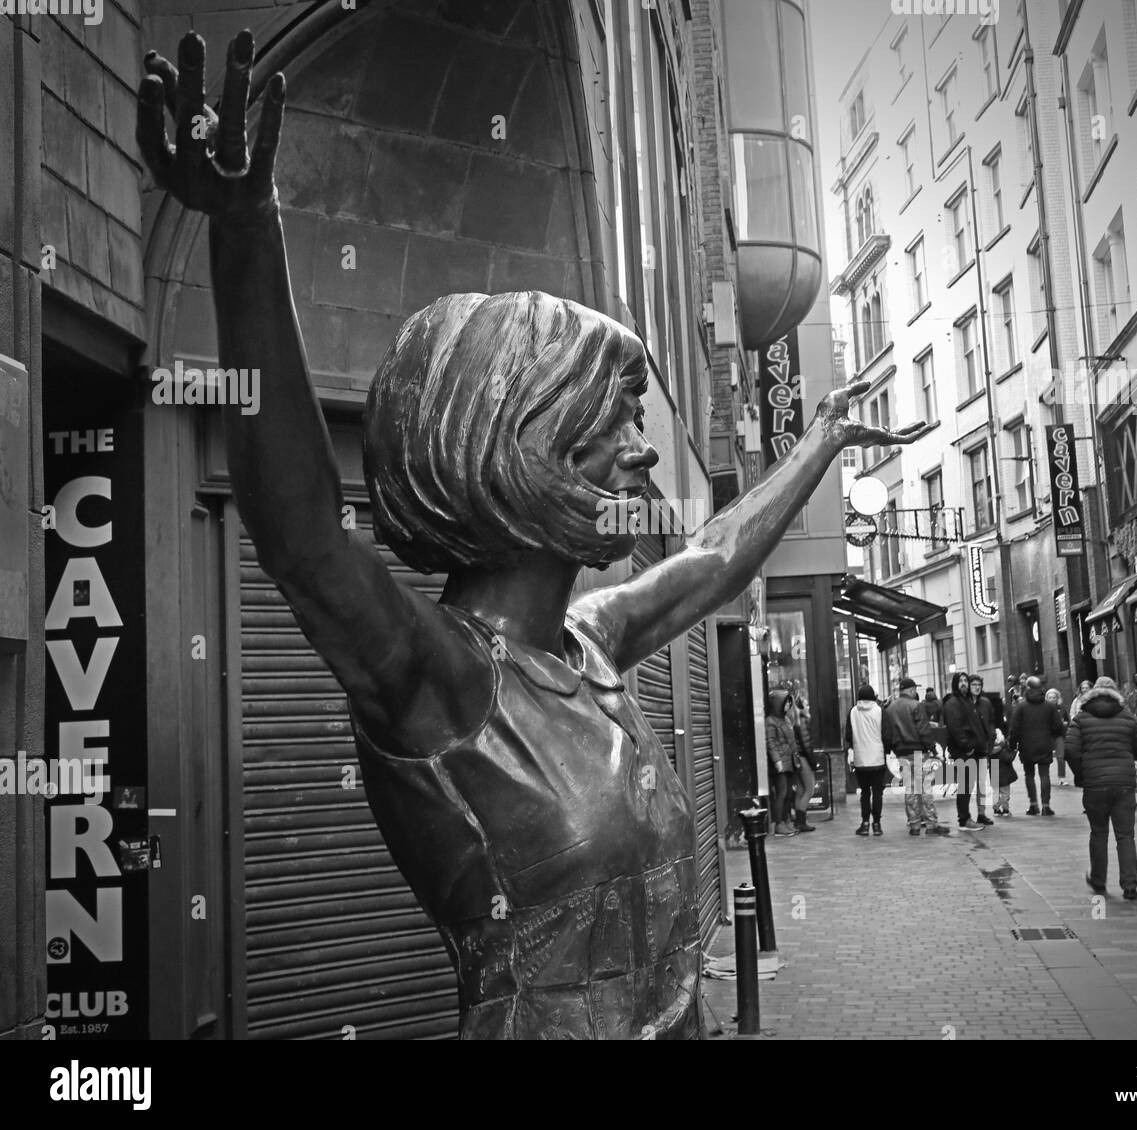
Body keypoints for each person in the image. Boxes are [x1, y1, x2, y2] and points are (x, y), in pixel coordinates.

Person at [133, 29, 929, 1041]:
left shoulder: (587, 643)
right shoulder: (445, 687)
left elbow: (713, 557)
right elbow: (300, 541)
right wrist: (246, 226)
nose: (644, 454)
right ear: (520, 448)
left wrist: (817, 445)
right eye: (615, 426)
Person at [1065, 676, 1137, 901]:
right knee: (1126, 836)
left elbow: (1071, 751)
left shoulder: (1082, 718)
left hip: (1095, 785)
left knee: (1099, 833)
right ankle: (1130, 885)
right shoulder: (1128, 718)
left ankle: (1098, 881)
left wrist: (1081, 775)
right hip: (1124, 783)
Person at [884, 677, 949, 836]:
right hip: (918, 752)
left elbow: (887, 733)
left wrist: (894, 748)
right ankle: (931, 823)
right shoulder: (916, 705)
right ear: (911, 690)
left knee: (910, 788)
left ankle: (914, 824)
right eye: (914, 689)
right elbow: (923, 730)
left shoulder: (891, 709)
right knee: (925, 788)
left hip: (902, 754)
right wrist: (932, 748)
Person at [1009, 676, 1065, 816]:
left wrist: (1012, 744)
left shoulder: (1021, 706)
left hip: (1026, 745)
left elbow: (1014, 728)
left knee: (1029, 775)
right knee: (1044, 775)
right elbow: (1058, 727)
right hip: (1044, 744)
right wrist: (1051, 736)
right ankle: (1046, 806)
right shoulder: (1049, 706)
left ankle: (1033, 805)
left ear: (1027, 688)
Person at [942, 672, 990, 831]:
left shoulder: (966, 701)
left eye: (965, 680)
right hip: (963, 751)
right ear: (955, 684)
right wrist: (967, 747)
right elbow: (956, 728)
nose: (963, 683)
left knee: (968, 786)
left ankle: (965, 818)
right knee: (965, 786)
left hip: (971, 750)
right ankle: (964, 819)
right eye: (960, 681)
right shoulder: (953, 702)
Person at [845, 685, 888, 836]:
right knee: (877, 792)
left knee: (864, 793)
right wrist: (886, 751)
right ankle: (877, 824)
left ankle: (864, 824)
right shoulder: (880, 711)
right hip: (877, 758)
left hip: (861, 759)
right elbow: (886, 734)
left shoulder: (853, 712)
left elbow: (848, 737)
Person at [765, 690, 800, 836]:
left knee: (789, 793)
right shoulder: (770, 721)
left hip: (790, 761)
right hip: (780, 763)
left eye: (789, 703)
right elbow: (770, 743)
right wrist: (777, 760)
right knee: (782, 792)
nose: (788, 705)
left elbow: (791, 742)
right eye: (785, 702)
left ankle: (786, 821)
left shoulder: (785, 719)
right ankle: (779, 824)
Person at [968, 675, 1000, 826]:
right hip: (968, 749)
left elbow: (992, 721)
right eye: (973, 684)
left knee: (982, 782)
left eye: (979, 684)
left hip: (982, 748)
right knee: (967, 783)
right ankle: (965, 815)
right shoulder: (964, 703)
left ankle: (981, 813)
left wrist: (991, 734)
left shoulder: (986, 703)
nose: (976, 687)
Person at [790, 695, 818, 834]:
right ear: (801, 708)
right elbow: (806, 745)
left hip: (797, 758)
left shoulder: (795, 721)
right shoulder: (802, 721)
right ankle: (801, 822)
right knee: (809, 789)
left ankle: (798, 821)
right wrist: (813, 763)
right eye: (806, 704)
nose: (809, 707)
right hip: (803, 758)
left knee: (801, 790)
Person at [1046, 687, 1069, 785]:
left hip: (1059, 735)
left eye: (1054, 697)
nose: (1052, 699)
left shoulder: (1062, 708)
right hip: (1048, 735)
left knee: (1061, 757)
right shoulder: (1044, 709)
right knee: (1046, 758)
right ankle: (1045, 777)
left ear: (1057, 698)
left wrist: (1065, 724)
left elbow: (1068, 720)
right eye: (1050, 697)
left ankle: (1061, 778)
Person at [922, 686, 946, 751]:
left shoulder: (923, 704)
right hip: (939, 728)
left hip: (928, 729)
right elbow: (942, 716)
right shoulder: (940, 703)